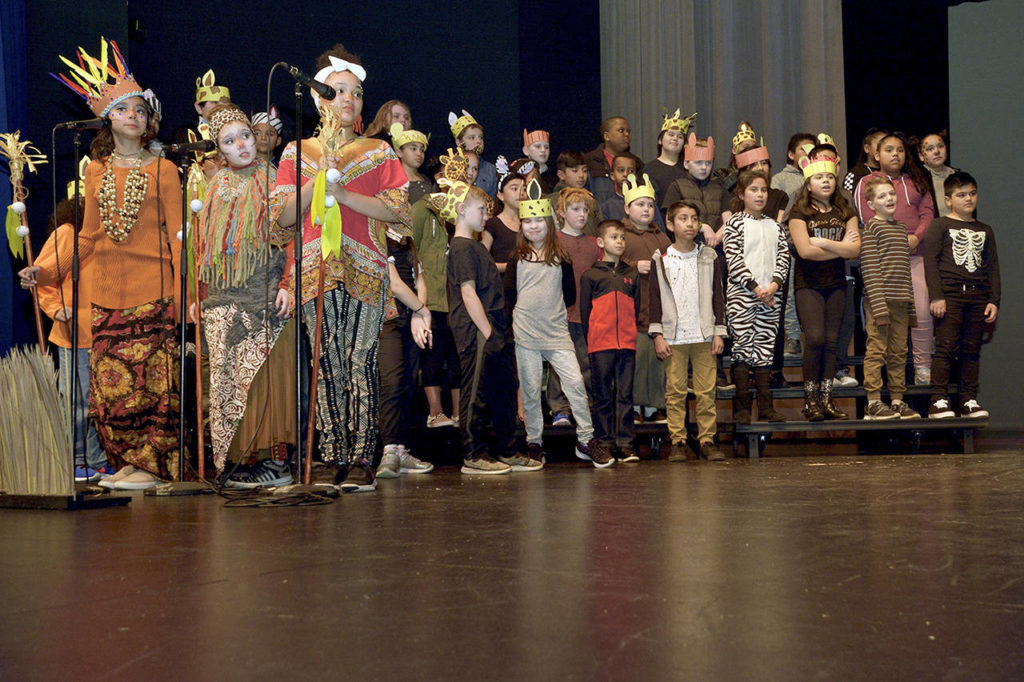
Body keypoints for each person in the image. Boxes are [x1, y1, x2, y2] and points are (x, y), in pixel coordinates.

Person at [25, 39, 182, 490]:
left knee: (153, 388)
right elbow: (89, 236)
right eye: (124, 109)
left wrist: (185, 296)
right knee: (113, 393)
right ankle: (127, 464)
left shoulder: (165, 170)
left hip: (153, 291)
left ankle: (153, 468)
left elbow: (177, 238)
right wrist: (48, 273)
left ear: (148, 120)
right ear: (107, 117)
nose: (133, 116)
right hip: (105, 298)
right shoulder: (94, 171)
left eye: (140, 109)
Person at [270, 45, 412, 493]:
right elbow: (282, 219)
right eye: (338, 91)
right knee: (325, 362)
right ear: (318, 99)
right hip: (316, 266)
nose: (348, 100)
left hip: (366, 268)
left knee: (360, 360)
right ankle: (331, 453)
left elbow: (399, 215)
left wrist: (346, 196)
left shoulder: (379, 152)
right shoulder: (298, 152)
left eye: (356, 93)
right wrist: (317, 181)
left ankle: (361, 455)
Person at [193, 104, 296, 488]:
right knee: (229, 383)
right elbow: (204, 249)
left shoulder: (275, 181)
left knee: (265, 382)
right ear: (220, 149)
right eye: (230, 141)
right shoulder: (215, 186)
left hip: (265, 300)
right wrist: (199, 295)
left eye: (246, 136)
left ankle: (273, 462)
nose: (242, 145)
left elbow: (294, 239)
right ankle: (239, 461)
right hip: (222, 301)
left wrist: (287, 283)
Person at [504, 179, 605, 468]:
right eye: (528, 221)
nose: (533, 226)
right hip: (526, 336)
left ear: (548, 223)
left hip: (557, 334)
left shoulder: (561, 258)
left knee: (574, 382)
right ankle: (534, 442)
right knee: (532, 389)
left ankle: (586, 439)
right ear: (522, 225)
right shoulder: (517, 258)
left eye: (538, 220)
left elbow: (569, 295)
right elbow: (509, 296)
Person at [442, 182, 519, 474]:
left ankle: (508, 449)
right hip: (478, 330)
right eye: (481, 210)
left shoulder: (475, 245)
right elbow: (468, 293)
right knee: (476, 392)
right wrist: (486, 331)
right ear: (462, 210)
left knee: (503, 388)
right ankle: (473, 454)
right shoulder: (461, 247)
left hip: (493, 328)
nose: (486, 216)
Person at [35, 190, 109, 482]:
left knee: (102, 403)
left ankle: (98, 459)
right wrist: (56, 309)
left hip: (107, 334)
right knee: (78, 400)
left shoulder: (110, 235)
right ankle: (78, 459)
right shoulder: (68, 234)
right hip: (76, 334)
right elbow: (43, 278)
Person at [853, 132, 936, 385]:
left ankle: (923, 368)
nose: (896, 154)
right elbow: (867, 218)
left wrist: (915, 238)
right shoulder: (867, 182)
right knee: (883, 317)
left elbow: (928, 212)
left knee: (922, 312)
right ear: (876, 155)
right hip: (884, 260)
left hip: (916, 254)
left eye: (900, 150)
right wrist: (900, 242)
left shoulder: (917, 180)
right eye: (889, 150)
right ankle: (882, 381)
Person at [649, 201, 727, 461]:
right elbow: (654, 300)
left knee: (707, 391)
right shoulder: (661, 258)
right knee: (675, 392)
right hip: (674, 336)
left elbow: (718, 296)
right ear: (670, 224)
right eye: (683, 218)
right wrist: (658, 335)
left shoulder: (709, 256)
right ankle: (678, 441)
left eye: (694, 218)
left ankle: (707, 440)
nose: (690, 224)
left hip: (703, 334)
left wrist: (718, 331)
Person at [789, 145, 861, 420]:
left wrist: (823, 242)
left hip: (836, 283)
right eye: (819, 178)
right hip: (808, 284)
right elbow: (805, 251)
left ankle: (827, 399)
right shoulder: (799, 212)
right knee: (816, 339)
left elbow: (855, 251)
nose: (826, 181)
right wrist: (839, 246)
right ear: (809, 183)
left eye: (829, 177)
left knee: (831, 342)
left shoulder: (845, 209)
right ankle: (810, 400)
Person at [924, 172, 999, 419]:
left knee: (971, 349)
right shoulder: (939, 225)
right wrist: (936, 296)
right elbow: (930, 263)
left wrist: (993, 299)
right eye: (961, 195)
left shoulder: (985, 229)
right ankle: (938, 400)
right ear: (948, 199)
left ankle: (968, 399)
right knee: (945, 347)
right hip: (951, 295)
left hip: (978, 297)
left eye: (972, 193)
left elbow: (992, 266)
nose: (968, 199)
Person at [721, 170, 790, 424]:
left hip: (771, 296)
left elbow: (783, 259)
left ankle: (765, 406)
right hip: (743, 295)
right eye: (753, 190)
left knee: (764, 349)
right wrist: (755, 288)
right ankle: (741, 408)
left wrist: (774, 285)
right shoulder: (735, 224)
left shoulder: (775, 226)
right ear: (741, 194)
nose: (760, 194)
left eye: (763, 190)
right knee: (742, 349)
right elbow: (734, 259)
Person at [411, 149, 467, 430]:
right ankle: (435, 412)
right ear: (434, 180)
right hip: (430, 295)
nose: (448, 182)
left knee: (457, 357)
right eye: (443, 177)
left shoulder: (463, 210)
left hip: (458, 297)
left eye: (454, 178)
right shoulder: (422, 208)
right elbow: (413, 246)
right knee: (432, 355)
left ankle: (459, 412)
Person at [579, 220, 640, 462]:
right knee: (603, 396)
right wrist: (593, 338)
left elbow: (636, 308)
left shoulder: (631, 274)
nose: (620, 242)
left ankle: (625, 444)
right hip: (600, 345)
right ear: (601, 242)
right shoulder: (590, 276)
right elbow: (585, 314)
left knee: (625, 395)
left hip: (626, 343)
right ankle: (603, 442)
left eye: (622, 238)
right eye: (614, 237)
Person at [859, 176, 919, 420]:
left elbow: (905, 271)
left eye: (891, 194)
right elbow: (871, 269)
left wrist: (911, 306)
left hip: (901, 302)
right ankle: (873, 402)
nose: (889, 199)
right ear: (871, 204)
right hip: (879, 302)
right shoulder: (872, 228)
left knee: (898, 352)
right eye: (882, 196)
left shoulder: (901, 228)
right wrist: (879, 306)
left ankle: (897, 400)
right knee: (877, 350)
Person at [376, 231, 435, 478]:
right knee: (392, 381)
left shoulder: (409, 240)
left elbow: (420, 281)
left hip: (409, 316)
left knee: (409, 383)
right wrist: (422, 311)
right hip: (387, 318)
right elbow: (395, 284)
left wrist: (417, 314)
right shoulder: (378, 236)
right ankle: (388, 450)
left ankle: (400, 449)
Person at [545, 188, 602, 428]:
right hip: (561, 314)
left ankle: (584, 406)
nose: (582, 214)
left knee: (585, 362)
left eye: (586, 210)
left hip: (588, 314)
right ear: (561, 212)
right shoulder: (554, 241)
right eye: (575, 209)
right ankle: (560, 409)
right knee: (560, 364)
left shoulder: (593, 244)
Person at [619, 173, 671, 424]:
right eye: (640, 204)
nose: (646, 209)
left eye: (650, 205)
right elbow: (609, 267)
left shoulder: (661, 237)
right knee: (638, 361)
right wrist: (632, 267)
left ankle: (655, 406)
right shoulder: (621, 236)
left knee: (656, 360)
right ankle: (636, 406)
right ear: (627, 208)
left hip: (656, 310)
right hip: (631, 311)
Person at [661, 134, 729, 247]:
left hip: (717, 249)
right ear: (686, 164)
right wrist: (703, 227)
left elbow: (729, 221)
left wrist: (715, 238)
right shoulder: (677, 186)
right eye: (698, 162)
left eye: (708, 163)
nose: (704, 167)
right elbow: (671, 220)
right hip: (687, 248)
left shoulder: (719, 188)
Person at [644, 109, 696, 209]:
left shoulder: (688, 170)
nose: (675, 139)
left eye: (680, 137)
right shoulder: (649, 169)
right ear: (660, 140)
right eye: (671, 134)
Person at [483, 159, 526, 272]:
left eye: (524, 189)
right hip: (504, 284)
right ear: (501, 196)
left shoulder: (528, 222)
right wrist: (510, 267)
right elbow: (482, 260)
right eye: (514, 188)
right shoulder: (493, 224)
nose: (521, 193)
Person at [545, 150, 602, 236]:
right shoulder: (550, 201)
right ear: (561, 175)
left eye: (585, 171)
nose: (581, 175)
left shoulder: (592, 200)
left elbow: (600, 230)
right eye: (575, 171)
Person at [449, 109, 497, 195]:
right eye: (472, 137)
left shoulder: (490, 170)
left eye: (481, 137)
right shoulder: (449, 167)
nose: (478, 141)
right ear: (459, 142)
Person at [914, 130, 956, 216]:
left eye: (940, 146)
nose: (936, 151)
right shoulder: (917, 180)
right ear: (921, 156)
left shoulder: (957, 176)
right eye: (930, 149)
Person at [390, 123, 431, 204]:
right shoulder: (395, 183)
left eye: (422, 150)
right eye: (413, 148)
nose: (419, 153)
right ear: (399, 152)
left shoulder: (426, 179)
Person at [842, 128, 886, 194]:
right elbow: (847, 200)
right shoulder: (855, 174)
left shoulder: (893, 172)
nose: (885, 149)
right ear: (867, 148)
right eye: (880, 145)